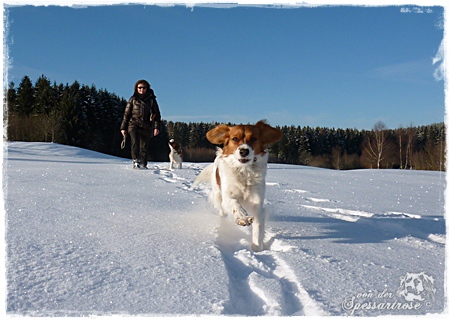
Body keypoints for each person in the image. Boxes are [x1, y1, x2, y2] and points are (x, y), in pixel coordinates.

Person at [120, 79, 161, 169]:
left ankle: (143, 163)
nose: (142, 89)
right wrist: (123, 128)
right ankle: (135, 160)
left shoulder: (151, 100)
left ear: (147, 88)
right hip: (133, 124)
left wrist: (156, 127)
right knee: (135, 142)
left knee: (144, 146)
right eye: (140, 88)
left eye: (144, 88)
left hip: (147, 126)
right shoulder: (133, 99)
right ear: (136, 88)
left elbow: (157, 114)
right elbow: (126, 114)